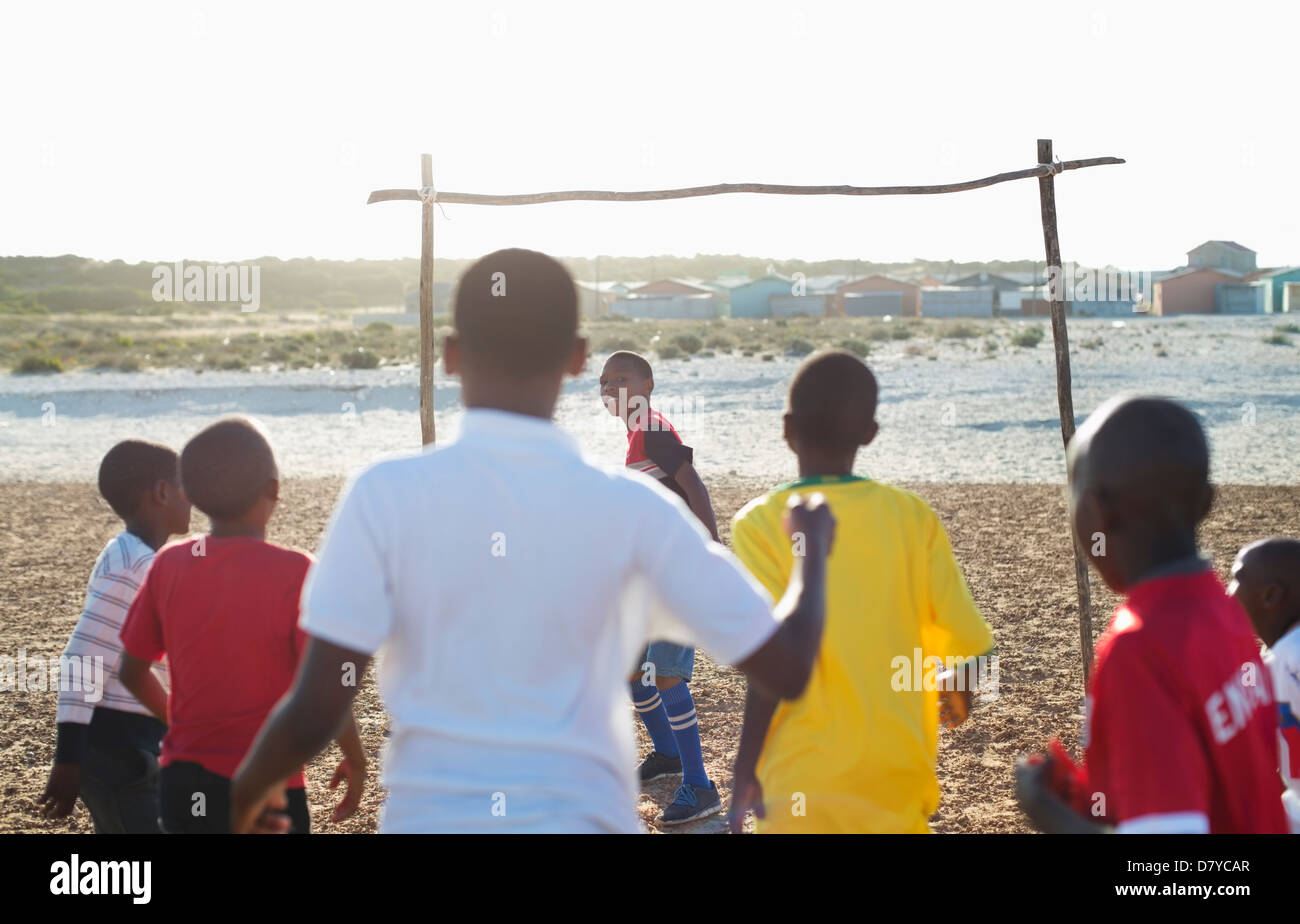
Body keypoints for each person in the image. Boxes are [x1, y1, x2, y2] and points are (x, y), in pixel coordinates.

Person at [229, 248, 834, 833]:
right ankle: (682, 768)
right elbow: (785, 667)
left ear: (450, 356)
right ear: (576, 359)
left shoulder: (384, 495)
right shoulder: (633, 509)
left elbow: (318, 699)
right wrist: (811, 558)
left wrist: (247, 791)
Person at [727, 351, 994, 833]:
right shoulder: (911, 516)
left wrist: (746, 764)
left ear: (787, 429)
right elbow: (972, 647)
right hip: (895, 772)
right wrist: (959, 691)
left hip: (799, 777)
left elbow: (771, 661)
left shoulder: (761, 523)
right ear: (870, 433)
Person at [1017, 396, 1287, 834]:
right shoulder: (1224, 608)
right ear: (1206, 503)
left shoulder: (1138, 651)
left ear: (1098, 510)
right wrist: (1090, 801)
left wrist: (1051, 817)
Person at [117, 417, 365, 834]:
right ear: (274, 489)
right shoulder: (298, 574)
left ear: (192, 494)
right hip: (270, 780)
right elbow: (330, 690)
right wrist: (356, 760)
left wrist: (177, 723)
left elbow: (131, 670)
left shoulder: (171, 564)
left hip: (184, 779)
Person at [39, 440, 191, 832]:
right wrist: (67, 759)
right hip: (116, 749)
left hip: (135, 740)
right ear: (161, 492)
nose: (193, 496)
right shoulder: (132, 569)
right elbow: (81, 659)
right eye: (184, 485)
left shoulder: (130, 556)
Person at [599, 350, 723, 822]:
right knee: (632, 668)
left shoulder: (652, 427)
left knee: (666, 673)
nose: (611, 387)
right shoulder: (637, 436)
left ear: (648, 384)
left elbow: (694, 484)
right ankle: (667, 755)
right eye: (604, 382)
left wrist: (711, 548)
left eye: (622, 378)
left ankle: (699, 784)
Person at [1229, 537, 1300, 832]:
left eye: (1237, 579)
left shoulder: (1291, 658)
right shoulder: (1276, 657)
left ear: (1271, 596)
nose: (1227, 594)